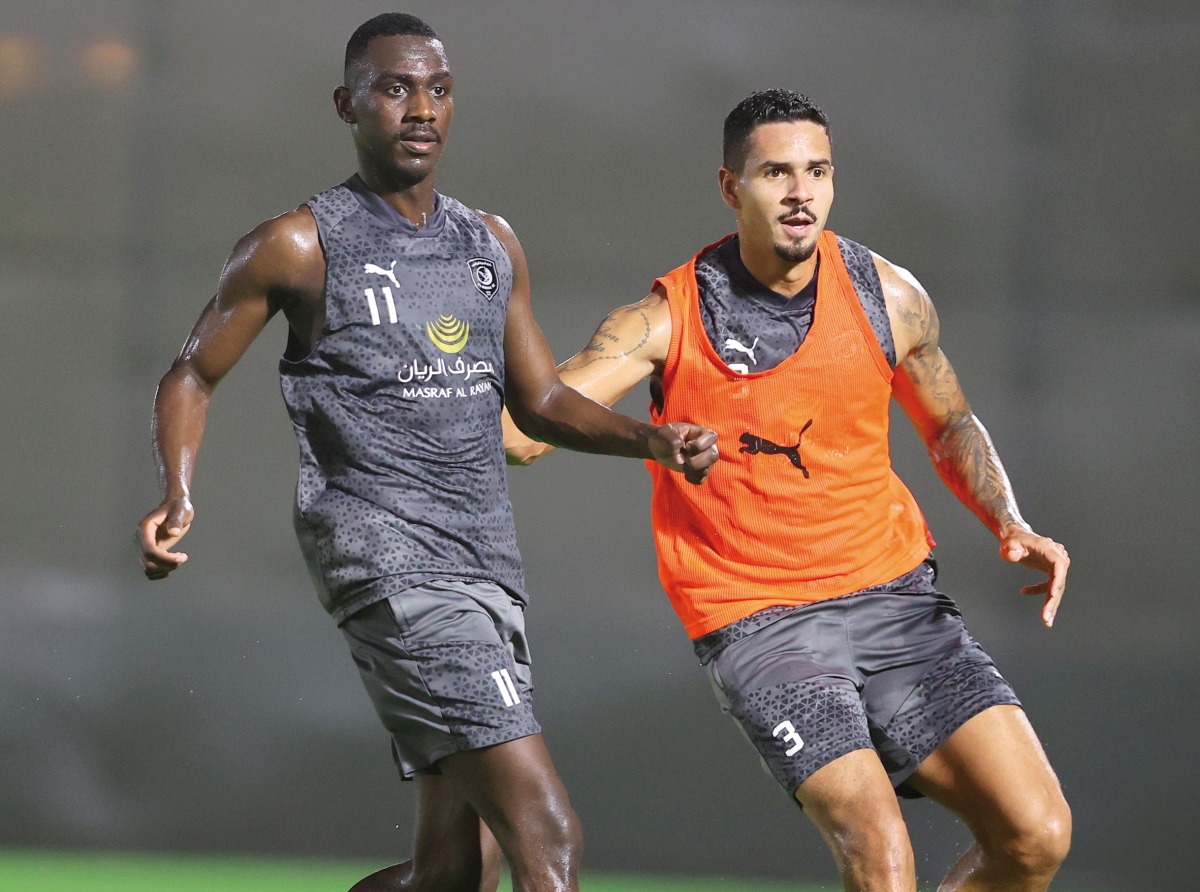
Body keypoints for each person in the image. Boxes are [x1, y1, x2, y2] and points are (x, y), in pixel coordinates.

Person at [135, 13, 718, 892]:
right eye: (395, 87)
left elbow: (544, 402)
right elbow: (190, 373)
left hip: (484, 565)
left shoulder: (489, 243)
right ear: (348, 104)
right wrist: (177, 492)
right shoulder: (299, 244)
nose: (421, 109)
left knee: (450, 872)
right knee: (546, 833)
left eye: (438, 90)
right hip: (388, 564)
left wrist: (653, 441)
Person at [504, 89, 1071, 891]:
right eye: (776, 172)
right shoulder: (670, 318)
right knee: (881, 854)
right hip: (762, 625)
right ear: (732, 187)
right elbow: (524, 433)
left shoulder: (888, 295)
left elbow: (950, 426)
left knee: (1037, 835)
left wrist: (1007, 520)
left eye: (818, 171)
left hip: (897, 605)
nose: (801, 192)